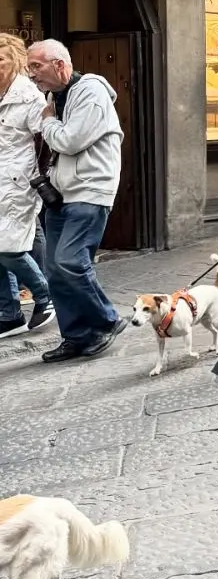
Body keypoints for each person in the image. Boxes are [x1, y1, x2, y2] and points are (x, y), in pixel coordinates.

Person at [26, 39, 126, 363]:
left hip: (90, 189)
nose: (31, 74)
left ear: (59, 64)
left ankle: (106, 320)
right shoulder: (54, 96)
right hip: (61, 193)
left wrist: (47, 121)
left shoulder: (91, 92)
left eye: (36, 66)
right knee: (55, 269)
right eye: (29, 68)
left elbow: (70, 141)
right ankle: (76, 335)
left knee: (70, 260)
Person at [0, 36, 55, 340]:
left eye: (0, 59)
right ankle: (9, 314)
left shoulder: (28, 96)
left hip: (18, 182)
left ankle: (46, 296)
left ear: (16, 61)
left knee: (9, 249)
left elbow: (46, 136)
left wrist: (38, 176)